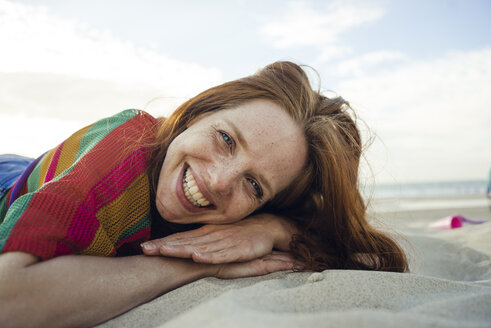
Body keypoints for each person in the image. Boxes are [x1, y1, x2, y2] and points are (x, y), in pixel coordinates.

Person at [0, 61, 408, 327]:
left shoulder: (247, 217)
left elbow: (368, 256)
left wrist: (274, 228)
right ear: (197, 114)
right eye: (227, 139)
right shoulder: (126, 145)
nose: (218, 180)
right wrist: (197, 266)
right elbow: (9, 301)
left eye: (254, 185)